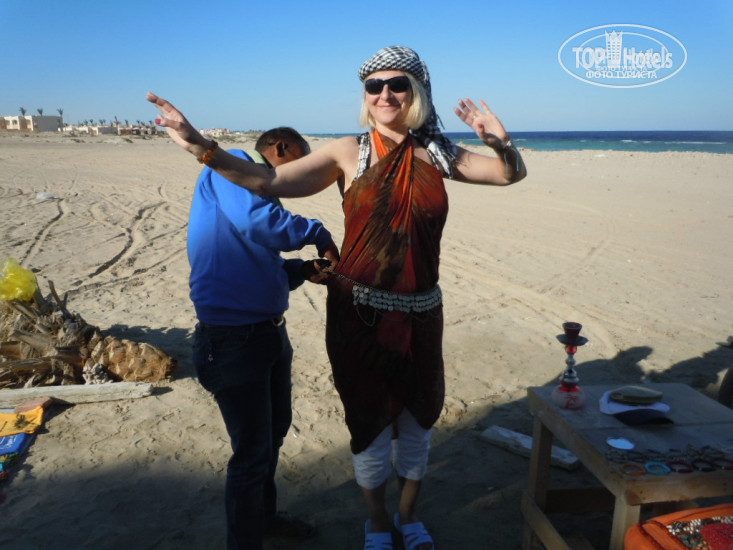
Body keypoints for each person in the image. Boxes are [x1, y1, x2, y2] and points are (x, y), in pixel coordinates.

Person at [149, 44, 527, 550]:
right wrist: (201, 146)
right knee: (369, 422)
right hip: (361, 315)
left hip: (423, 314)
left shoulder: (438, 152)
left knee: (418, 422)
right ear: (365, 95)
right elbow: (266, 180)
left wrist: (502, 144)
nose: (385, 94)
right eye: (374, 85)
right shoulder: (350, 151)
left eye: (398, 84)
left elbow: (509, 174)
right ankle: (377, 521)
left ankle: (409, 516)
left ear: (417, 92)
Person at [187, 126, 339, 550]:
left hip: (267, 335)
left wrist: (302, 270)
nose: (304, 176)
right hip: (232, 341)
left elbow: (262, 260)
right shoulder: (232, 166)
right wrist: (318, 232)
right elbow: (262, 226)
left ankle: (264, 519)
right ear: (281, 149)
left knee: (272, 435)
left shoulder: (255, 195)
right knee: (252, 452)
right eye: (303, 162)